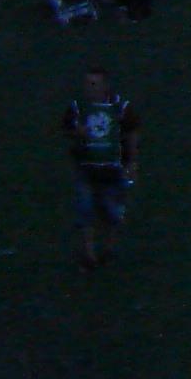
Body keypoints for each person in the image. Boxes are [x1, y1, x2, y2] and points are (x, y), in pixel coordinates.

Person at [63, 65, 141, 271]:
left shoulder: (120, 107)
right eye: (88, 83)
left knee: (112, 212)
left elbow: (132, 132)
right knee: (85, 209)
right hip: (86, 168)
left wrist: (132, 162)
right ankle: (89, 255)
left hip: (112, 168)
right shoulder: (78, 107)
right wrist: (76, 132)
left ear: (105, 85)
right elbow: (67, 128)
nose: (89, 88)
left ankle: (108, 249)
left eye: (94, 84)